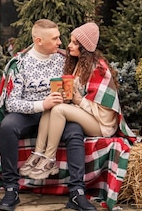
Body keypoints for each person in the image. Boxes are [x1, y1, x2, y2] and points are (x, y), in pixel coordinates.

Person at [0, 19, 97, 211]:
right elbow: (11, 103)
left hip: (57, 116)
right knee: (8, 126)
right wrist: (42, 104)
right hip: (28, 115)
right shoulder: (20, 64)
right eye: (56, 39)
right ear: (39, 40)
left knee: (75, 131)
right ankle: (10, 189)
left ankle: (77, 191)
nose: (61, 42)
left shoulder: (63, 60)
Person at [21, 22, 123, 183]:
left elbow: (104, 113)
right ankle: (38, 153)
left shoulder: (98, 69)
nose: (69, 46)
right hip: (85, 113)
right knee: (53, 104)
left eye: (75, 43)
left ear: (85, 46)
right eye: (70, 41)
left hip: (101, 124)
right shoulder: (78, 64)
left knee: (59, 109)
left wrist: (78, 100)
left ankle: (50, 159)